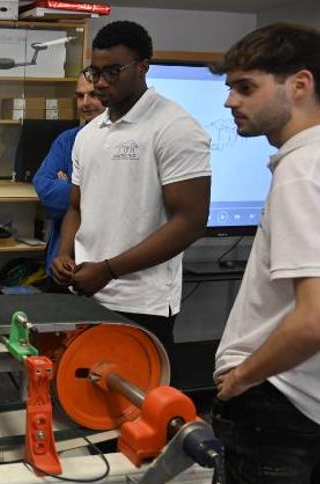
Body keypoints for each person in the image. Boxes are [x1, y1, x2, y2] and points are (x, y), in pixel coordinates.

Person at [211, 23, 320, 484]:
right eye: (230, 88)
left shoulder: (302, 171)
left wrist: (243, 378)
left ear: (300, 85)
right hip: (319, 402)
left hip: (277, 400)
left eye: (246, 87)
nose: (230, 102)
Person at [51, 20, 211, 348]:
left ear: (142, 68)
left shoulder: (175, 128)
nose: (100, 83)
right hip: (85, 292)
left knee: (136, 398)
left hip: (142, 304)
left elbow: (190, 223)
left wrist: (108, 270)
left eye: (113, 71)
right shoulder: (88, 135)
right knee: (82, 393)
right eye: (95, 72)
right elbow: (76, 206)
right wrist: (64, 253)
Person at [32, 72, 105, 292]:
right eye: (80, 96)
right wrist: (91, 194)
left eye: (93, 95)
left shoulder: (121, 142)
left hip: (104, 266)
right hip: (64, 262)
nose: (86, 103)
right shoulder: (68, 141)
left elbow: (115, 203)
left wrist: (71, 185)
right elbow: (44, 188)